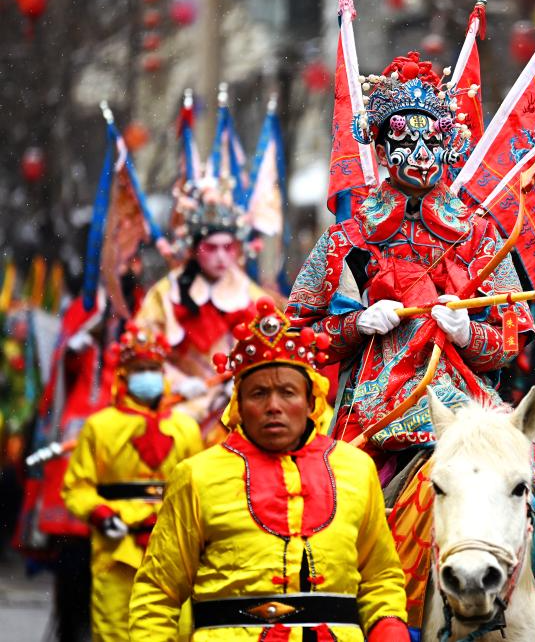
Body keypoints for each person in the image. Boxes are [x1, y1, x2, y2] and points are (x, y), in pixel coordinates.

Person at [288, 52, 535, 640]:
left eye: (431, 141)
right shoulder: (348, 238)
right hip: (379, 414)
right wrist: (357, 324)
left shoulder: (479, 233)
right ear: (380, 146)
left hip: (467, 408)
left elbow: (511, 335)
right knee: (326, 509)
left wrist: (470, 332)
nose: (419, 155)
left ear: (449, 145)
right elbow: (297, 333)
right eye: (404, 141)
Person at [130, 298, 409, 640]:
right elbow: (157, 593)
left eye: (287, 392)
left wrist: (388, 628)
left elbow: (380, 579)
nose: (273, 406)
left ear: (311, 401)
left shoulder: (357, 469)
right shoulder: (196, 476)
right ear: (238, 404)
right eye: (259, 393)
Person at [61, 324, 202, 642]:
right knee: (114, 626)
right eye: (140, 369)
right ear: (123, 375)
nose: (147, 376)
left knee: (175, 627)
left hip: (171, 543)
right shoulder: (99, 426)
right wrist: (101, 514)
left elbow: (199, 487)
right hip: (117, 545)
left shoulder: (186, 428)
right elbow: (77, 485)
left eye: (153, 369)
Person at [135, 171, 270, 435]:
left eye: (228, 248)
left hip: (239, 403)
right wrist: (176, 383)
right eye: (211, 247)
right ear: (194, 248)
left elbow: (271, 351)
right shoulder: (165, 295)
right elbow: (142, 351)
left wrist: (245, 382)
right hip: (181, 405)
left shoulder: (253, 297)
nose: (221, 257)